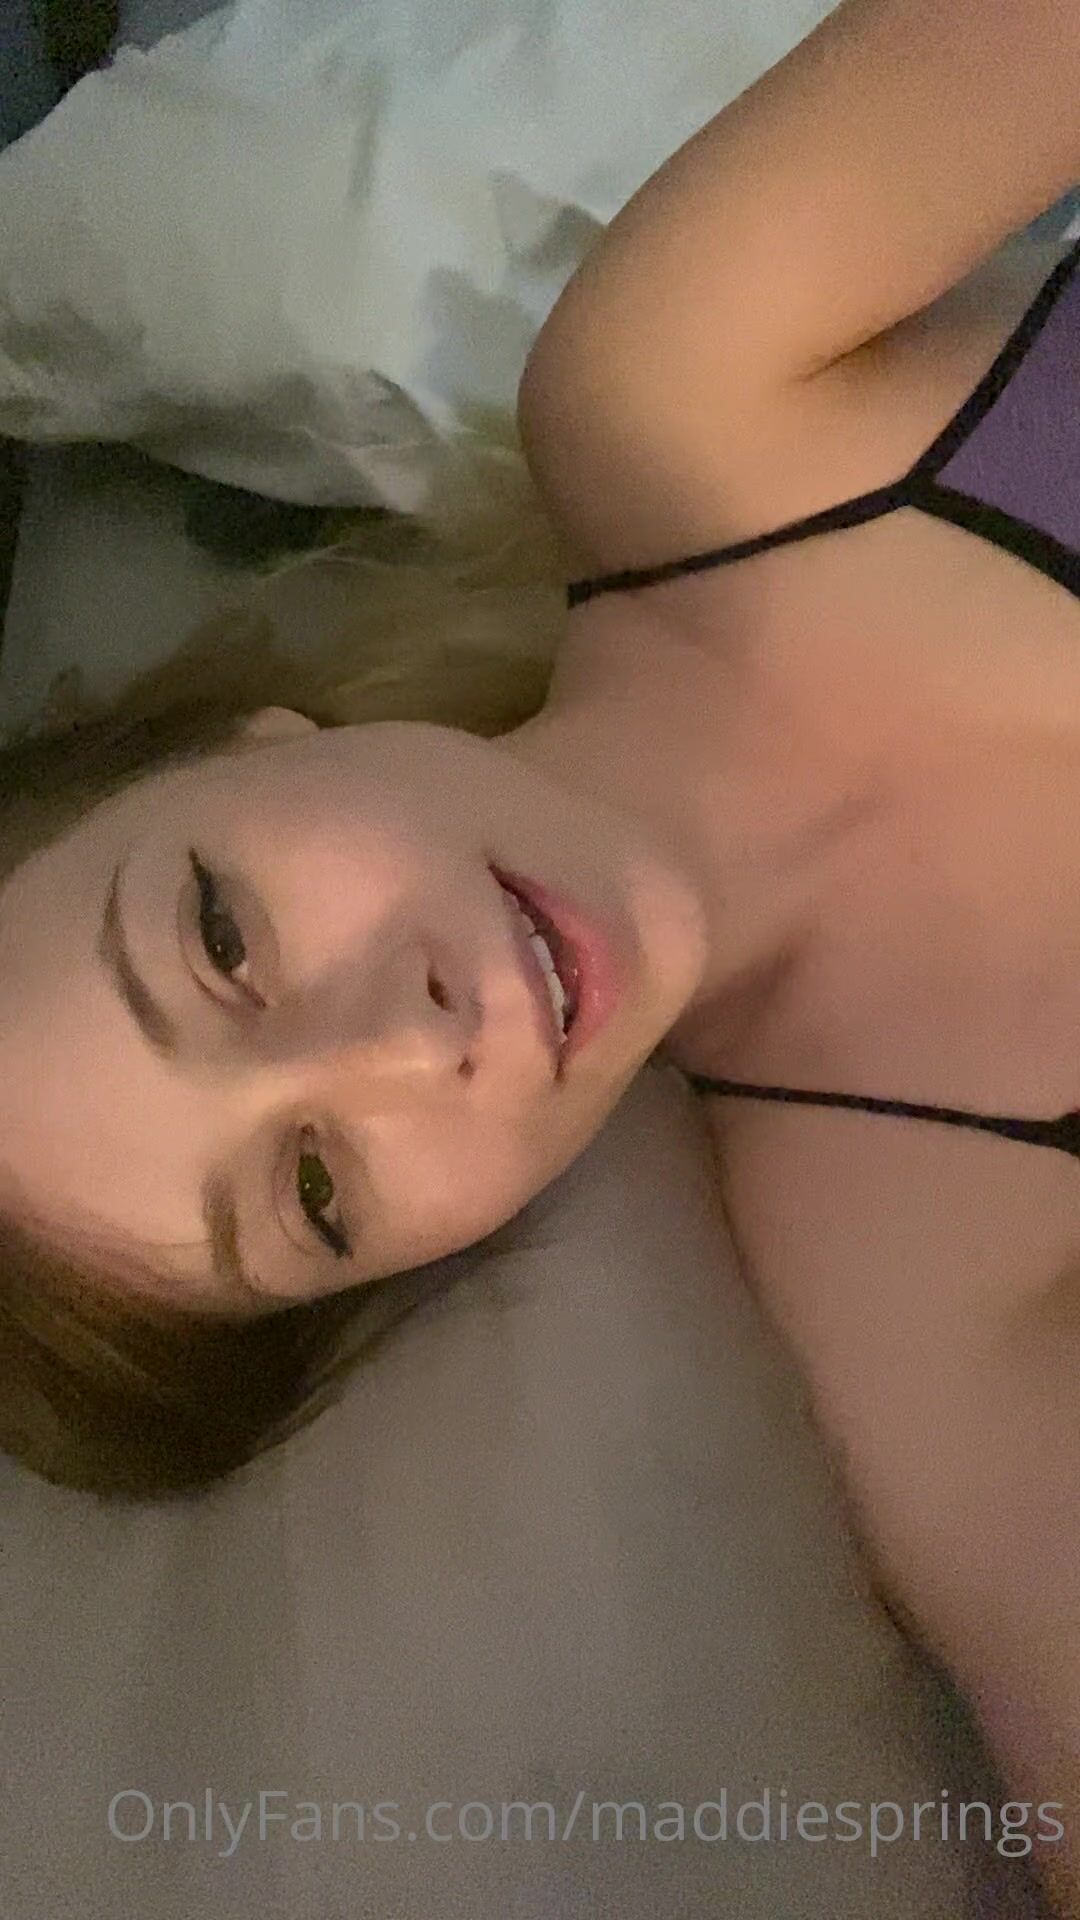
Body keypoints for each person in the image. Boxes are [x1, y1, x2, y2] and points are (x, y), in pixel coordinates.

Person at [2, 0, 1079, 1904]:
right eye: (315, 1188)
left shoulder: (671, 385)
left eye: (221, 937)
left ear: (243, 738)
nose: (398, 1040)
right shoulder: (906, 1277)